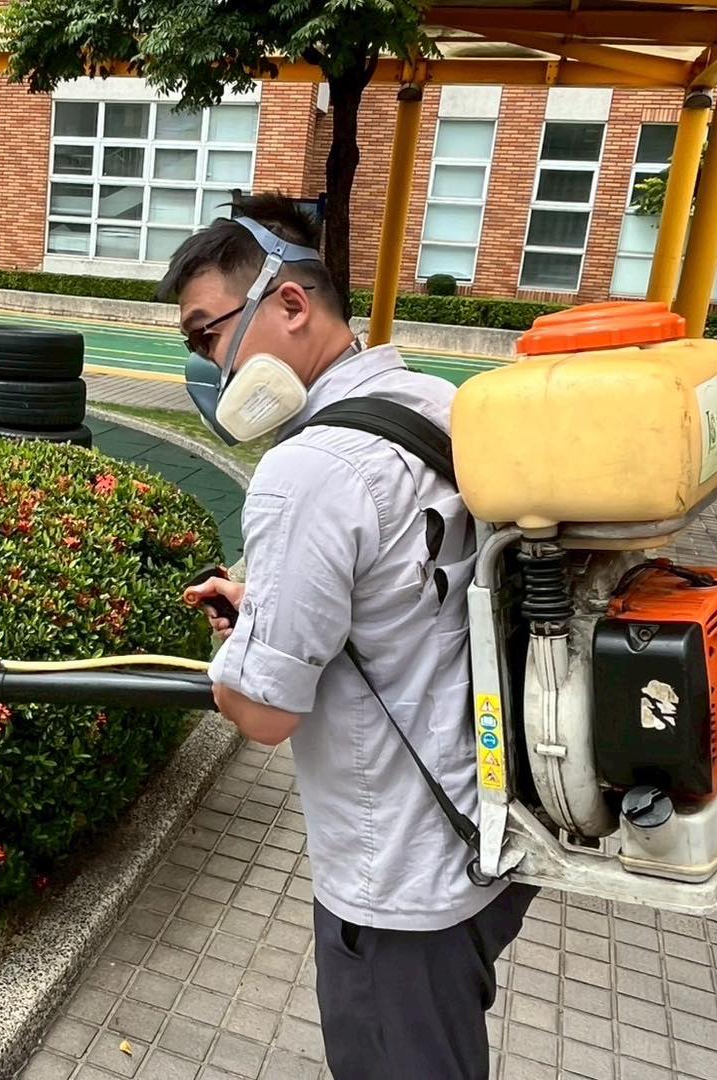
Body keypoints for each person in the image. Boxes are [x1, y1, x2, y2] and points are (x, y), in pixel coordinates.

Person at [169, 194, 537, 1080]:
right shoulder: (435, 402)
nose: (208, 365)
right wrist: (271, 603)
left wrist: (236, 655)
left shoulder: (307, 471)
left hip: (396, 878)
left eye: (206, 335)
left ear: (291, 304)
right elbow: (404, 593)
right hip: (488, 832)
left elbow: (264, 714)